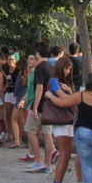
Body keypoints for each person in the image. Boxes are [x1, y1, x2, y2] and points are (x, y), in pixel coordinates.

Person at [24, 42, 56, 173]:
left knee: (30, 130)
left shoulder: (40, 67)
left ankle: (37, 160)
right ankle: (47, 165)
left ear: (38, 53)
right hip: (50, 105)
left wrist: (35, 107)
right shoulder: (51, 66)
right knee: (48, 135)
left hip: (41, 104)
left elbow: (39, 87)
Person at [47, 57, 76, 183]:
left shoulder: (65, 83)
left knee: (67, 154)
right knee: (64, 154)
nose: (68, 71)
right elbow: (63, 99)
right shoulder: (54, 81)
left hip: (67, 120)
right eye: (66, 68)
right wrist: (69, 92)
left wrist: (69, 90)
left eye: (69, 68)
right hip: (60, 121)